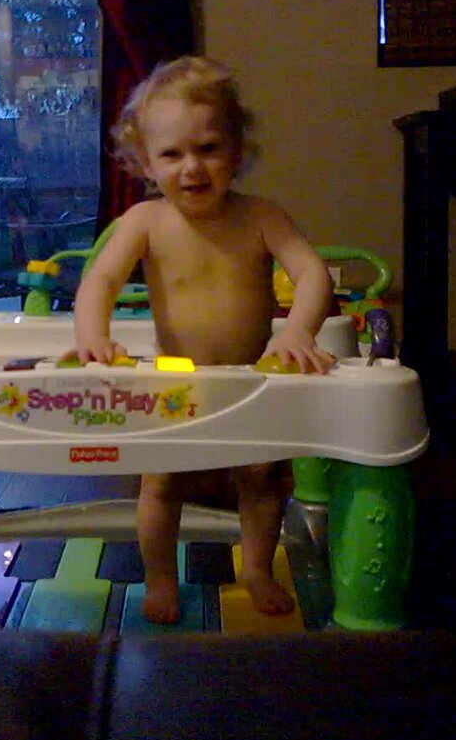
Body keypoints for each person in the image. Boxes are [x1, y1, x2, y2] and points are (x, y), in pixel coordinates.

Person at [69, 56, 337, 625]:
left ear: (237, 151)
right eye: (172, 154)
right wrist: (93, 336)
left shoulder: (262, 216)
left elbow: (313, 273)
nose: (192, 167)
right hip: (176, 378)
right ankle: (161, 579)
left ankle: (257, 569)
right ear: (146, 162)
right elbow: (101, 279)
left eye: (209, 148)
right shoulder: (144, 220)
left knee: (261, 479)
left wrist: (296, 331)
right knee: (161, 481)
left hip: (252, 376)